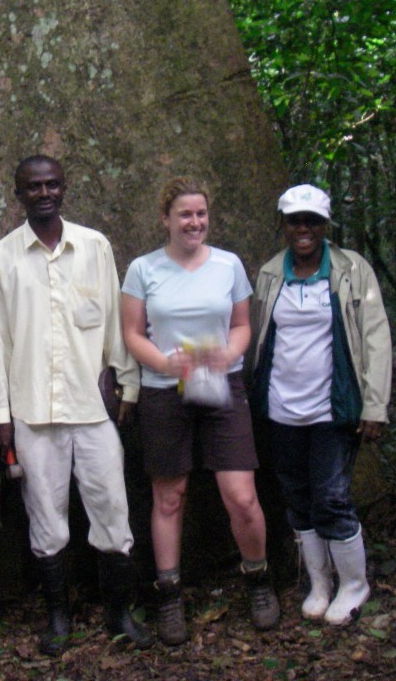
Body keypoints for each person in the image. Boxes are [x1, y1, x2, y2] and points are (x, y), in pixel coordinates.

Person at [0, 154, 152, 654]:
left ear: (64, 188)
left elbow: (114, 325)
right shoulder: (2, 257)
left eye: (51, 185)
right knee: (46, 518)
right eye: (33, 187)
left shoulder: (94, 247)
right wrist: (0, 416)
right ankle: (58, 618)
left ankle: (120, 614)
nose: (43, 193)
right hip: (33, 412)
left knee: (112, 511)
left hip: (93, 407)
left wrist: (128, 382)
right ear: (18, 194)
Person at [120, 176, 280, 642]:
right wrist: (164, 362)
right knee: (169, 496)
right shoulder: (143, 269)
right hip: (163, 389)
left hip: (220, 386)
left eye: (201, 214)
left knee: (242, 496)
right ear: (165, 219)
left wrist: (230, 354)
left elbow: (242, 325)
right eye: (185, 214)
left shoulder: (228, 265)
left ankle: (259, 580)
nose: (194, 222)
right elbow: (132, 332)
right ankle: (169, 595)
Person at [249, 184, 392, 626]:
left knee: (331, 496)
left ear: (325, 225)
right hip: (281, 408)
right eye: (295, 220)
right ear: (284, 225)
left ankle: (354, 583)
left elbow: (376, 337)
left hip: (333, 406)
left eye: (312, 220)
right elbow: (257, 338)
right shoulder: (272, 272)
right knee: (296, 495)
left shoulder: (352, 269)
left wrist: (375, 405)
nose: (303, 228)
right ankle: (320, 581)